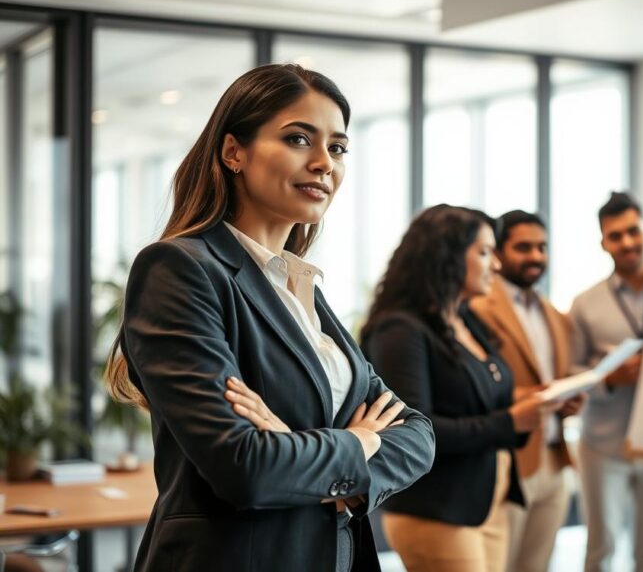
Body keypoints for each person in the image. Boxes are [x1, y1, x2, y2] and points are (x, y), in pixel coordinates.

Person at [103, 64, 434, 572]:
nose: (325, 163)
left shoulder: (299, 287)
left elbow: (417, 435)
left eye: (338, 148)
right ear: (234, 152)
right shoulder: (180, 268)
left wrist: (313, 459)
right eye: (300, 138)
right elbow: (245, 468)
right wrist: (358, 442)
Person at [360, 205, 559, 572]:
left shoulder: (464, 317)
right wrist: (509, 421)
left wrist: (532, 402)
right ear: (447, 256)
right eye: (484, 253)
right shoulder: (400, 330)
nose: (496, 266)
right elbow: (414, 431)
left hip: (486, 502)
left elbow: (477, 397)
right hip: (437, 511)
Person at [569, 191, 643, 572]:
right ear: (603, 243)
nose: (627, 242)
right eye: (615, 236)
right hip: (603, 445)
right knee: (601, 550)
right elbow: (571, 373)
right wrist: (609, 379)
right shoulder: (584, 304)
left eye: (633, 231)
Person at [469, 210, 584, 572]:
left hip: (553, 455)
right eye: (523, 247)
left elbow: (555, 376)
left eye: (542, 247)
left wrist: (568, 399)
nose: (535, 256)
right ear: (499, 253)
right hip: (509, 459)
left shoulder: (554, 313)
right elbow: (476, 386)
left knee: (537, 565)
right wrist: (531, 396)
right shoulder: (476, 309)